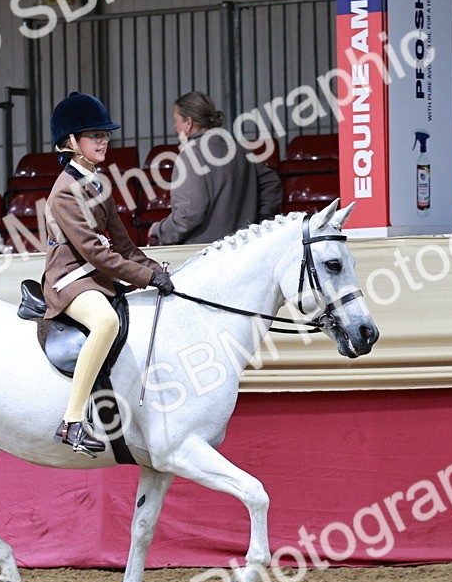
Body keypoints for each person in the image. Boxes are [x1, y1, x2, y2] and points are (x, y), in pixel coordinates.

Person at [43, 92, 174, 457]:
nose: (103, 141)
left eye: (105, 134)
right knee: (104, 322)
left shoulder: (97, 182)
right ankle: (71, 422)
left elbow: (123, 244)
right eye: (94, 135)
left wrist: (156, 270)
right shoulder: (65, 193)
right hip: (71, 279)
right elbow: (98, 254)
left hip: (97, 276)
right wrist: (145, 278)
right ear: (70, 143)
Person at [148, 92, 282, 246]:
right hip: (244, 248)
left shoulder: (191, 154)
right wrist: (260, 221)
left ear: (188, 123)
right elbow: (271, 181)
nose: (175, 126)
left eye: (176, 120)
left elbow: (189, 213)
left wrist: (159, 229)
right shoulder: (239, 149)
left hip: (206, 255)